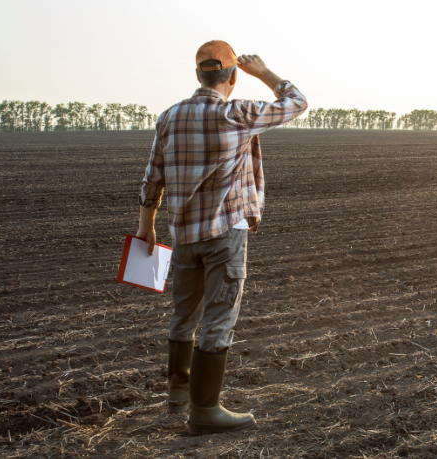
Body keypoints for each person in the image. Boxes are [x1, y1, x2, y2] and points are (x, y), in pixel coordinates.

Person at [136, 40, 307, 435]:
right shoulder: (239, 113)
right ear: (232, 75)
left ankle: (178, 393)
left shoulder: (169, 117)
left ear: (197, 75)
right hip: (224, 233)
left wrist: (146, 224)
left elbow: (153, 176)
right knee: (218, 318)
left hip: (183, 236)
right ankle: (205, 411)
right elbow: (297, 102)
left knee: (184, 314)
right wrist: (264, 73)